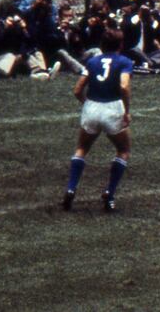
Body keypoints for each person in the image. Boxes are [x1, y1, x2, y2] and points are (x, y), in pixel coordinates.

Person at [62, 27, 133, 213]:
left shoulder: (92, 61)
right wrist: (127, 111)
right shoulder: (124, 61)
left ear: (102, 44)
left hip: (92, 107)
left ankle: (71, 188)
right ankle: (109, 193)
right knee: (123, 150)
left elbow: (77, 90)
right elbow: (124, 87)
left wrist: (87, 104)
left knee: (82, 148)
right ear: (121, 45)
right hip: (112, 108)